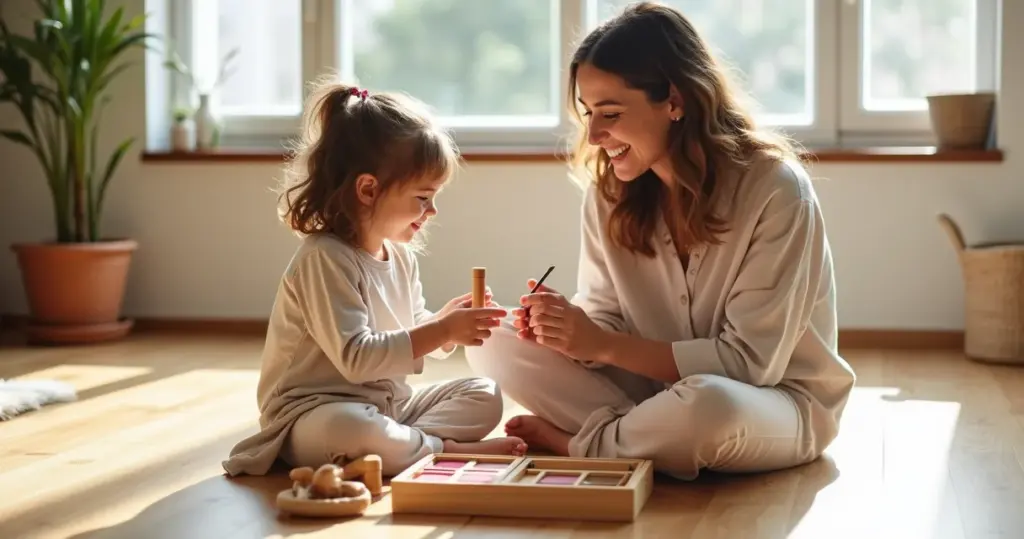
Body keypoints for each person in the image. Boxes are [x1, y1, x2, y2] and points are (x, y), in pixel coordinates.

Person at [465, 2, 856, 481]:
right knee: (492, 340)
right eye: (588, 113)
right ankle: (640, 439)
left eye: (610, 112)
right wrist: (567, 331)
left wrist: (603, 345)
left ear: (675, 100)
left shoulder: (775, 190)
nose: (594, 133)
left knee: (708, 408)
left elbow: (749, 365)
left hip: (771, 402)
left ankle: (585, 444)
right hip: (653, 392)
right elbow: (607, 316)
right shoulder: (608, 194)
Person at [222, 80, 527, 478]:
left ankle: (403, 446)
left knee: (484, 394)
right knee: (352, 429)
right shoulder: (325, 258)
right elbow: (358, 359)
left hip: (389, 408)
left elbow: (413, 333)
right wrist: (441, 329)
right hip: (312, 415)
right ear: (368, 189)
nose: (432, 210)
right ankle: (440, 448)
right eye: (422, 197)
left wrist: (448, 328)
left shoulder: (401, 256)